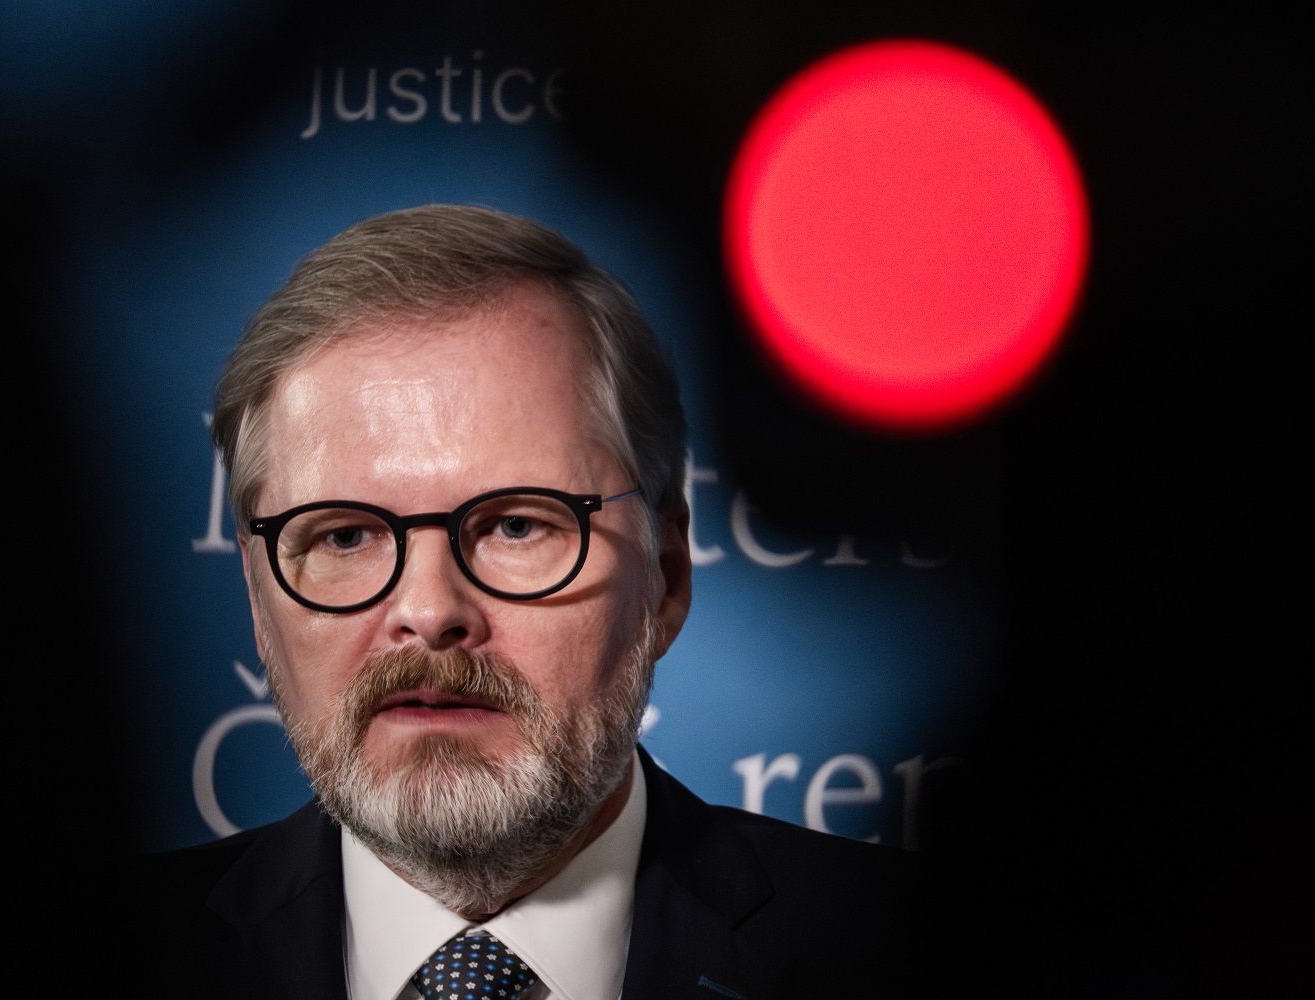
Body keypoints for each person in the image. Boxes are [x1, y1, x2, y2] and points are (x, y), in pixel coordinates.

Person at [139, 205, 996, 998]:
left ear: (666, 574)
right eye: (345, 537)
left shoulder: (928, 961)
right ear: (258, 599)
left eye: (516, 526)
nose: (429, 611)